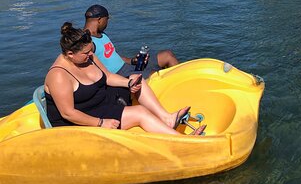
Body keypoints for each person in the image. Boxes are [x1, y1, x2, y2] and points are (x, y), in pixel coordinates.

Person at [44, 22, 205, 135]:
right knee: (140, 113)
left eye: (90, 51)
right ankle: (184, 142)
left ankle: (167, 119)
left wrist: (128, 82)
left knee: (137, 78)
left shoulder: (87, 57)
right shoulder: (58, 75)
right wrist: (101, 123)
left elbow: (107, 77)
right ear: (70, 54)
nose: (91, 55)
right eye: (86, 53)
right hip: (82, 120)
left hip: (98, 102)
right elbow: (68, 113)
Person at [84, 5, 178, 80]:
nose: (107, 23)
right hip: (120, 75)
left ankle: (182, 82)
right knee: (155, 76)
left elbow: (113, 56)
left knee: (167, 55)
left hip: (128, 66)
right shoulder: (87, 41)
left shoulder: (102, 34)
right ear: (100, 20)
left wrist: (133, 61)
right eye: (107, 19)